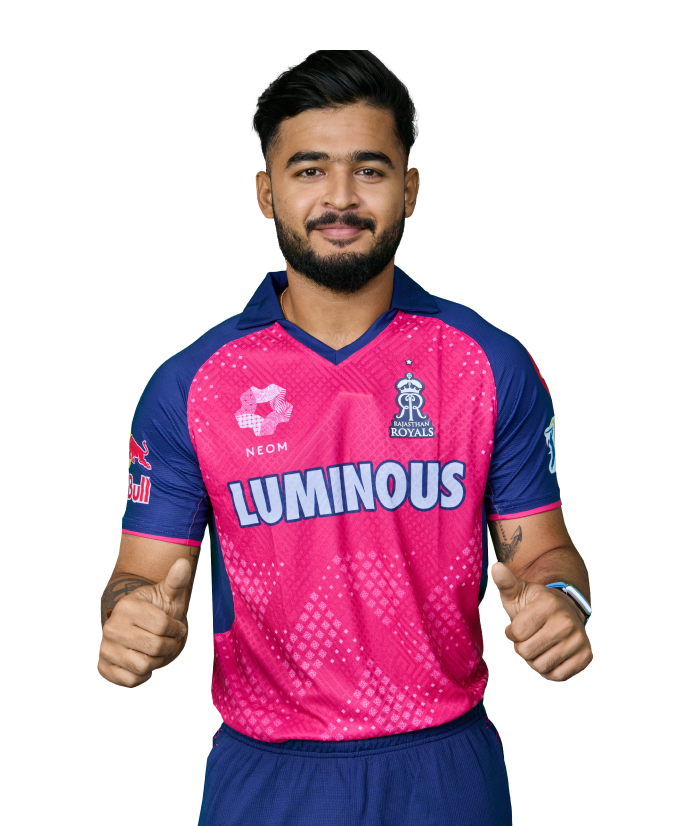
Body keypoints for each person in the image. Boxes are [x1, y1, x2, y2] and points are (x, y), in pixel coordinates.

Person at [98, 50, 592, 826]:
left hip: (447, 766)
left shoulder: (489, 362)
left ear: (411, 189)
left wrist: (564, 602)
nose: (339, 197)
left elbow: (545, 551)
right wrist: (130, 619)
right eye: (308, 170)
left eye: (369, 169)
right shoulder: (190, 383)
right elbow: (139, 575)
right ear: (266, 193)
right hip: (265, 773)